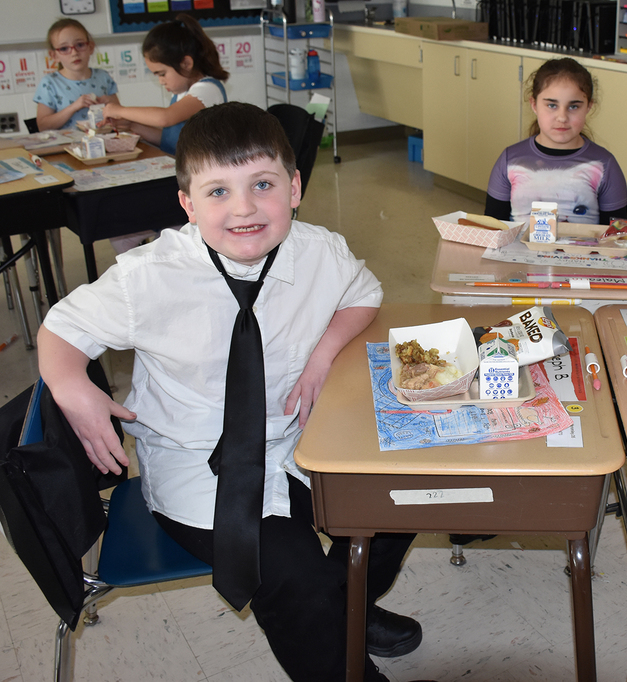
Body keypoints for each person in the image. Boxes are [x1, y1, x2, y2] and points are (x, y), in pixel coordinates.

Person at [37, 102, 426, 682]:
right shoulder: (148, 276)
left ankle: (343, 607)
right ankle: (328, 625)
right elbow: (61, 331)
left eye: (262, 185)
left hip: (297, 439)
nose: (243, 208)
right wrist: (72, 385)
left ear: (294, 188)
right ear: (188, 205)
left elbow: (362, 295)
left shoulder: (318, 250)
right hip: (201, 466)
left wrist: (322, 357)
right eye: (217, 192)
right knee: (292, 578)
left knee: (410, 492)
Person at [484, 57, 627, 226]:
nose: (562, 117)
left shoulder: (605, 164)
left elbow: (617, 238)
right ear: (534, 104)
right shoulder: (509, 160)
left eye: (574, 106)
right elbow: (492, 231)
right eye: (552, 105)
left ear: (588, 107)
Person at [103, 14, 228, 155]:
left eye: (162, 74)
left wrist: (119, 110)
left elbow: (164, 118)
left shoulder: (208, 90)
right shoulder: (182, 93)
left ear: (186, 64)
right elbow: (170, 141)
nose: (161, 81)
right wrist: (133, 125)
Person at [34, 19, 120, 131]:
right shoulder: (50, 83)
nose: (74, 53)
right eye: (64, 48)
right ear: (54, 55)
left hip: (102, 142)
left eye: (80, 45)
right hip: (66, 146)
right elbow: (43, 126)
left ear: (90, 47)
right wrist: (74, 107)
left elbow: (121, 115)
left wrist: (110, 104)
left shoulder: (103, 77)